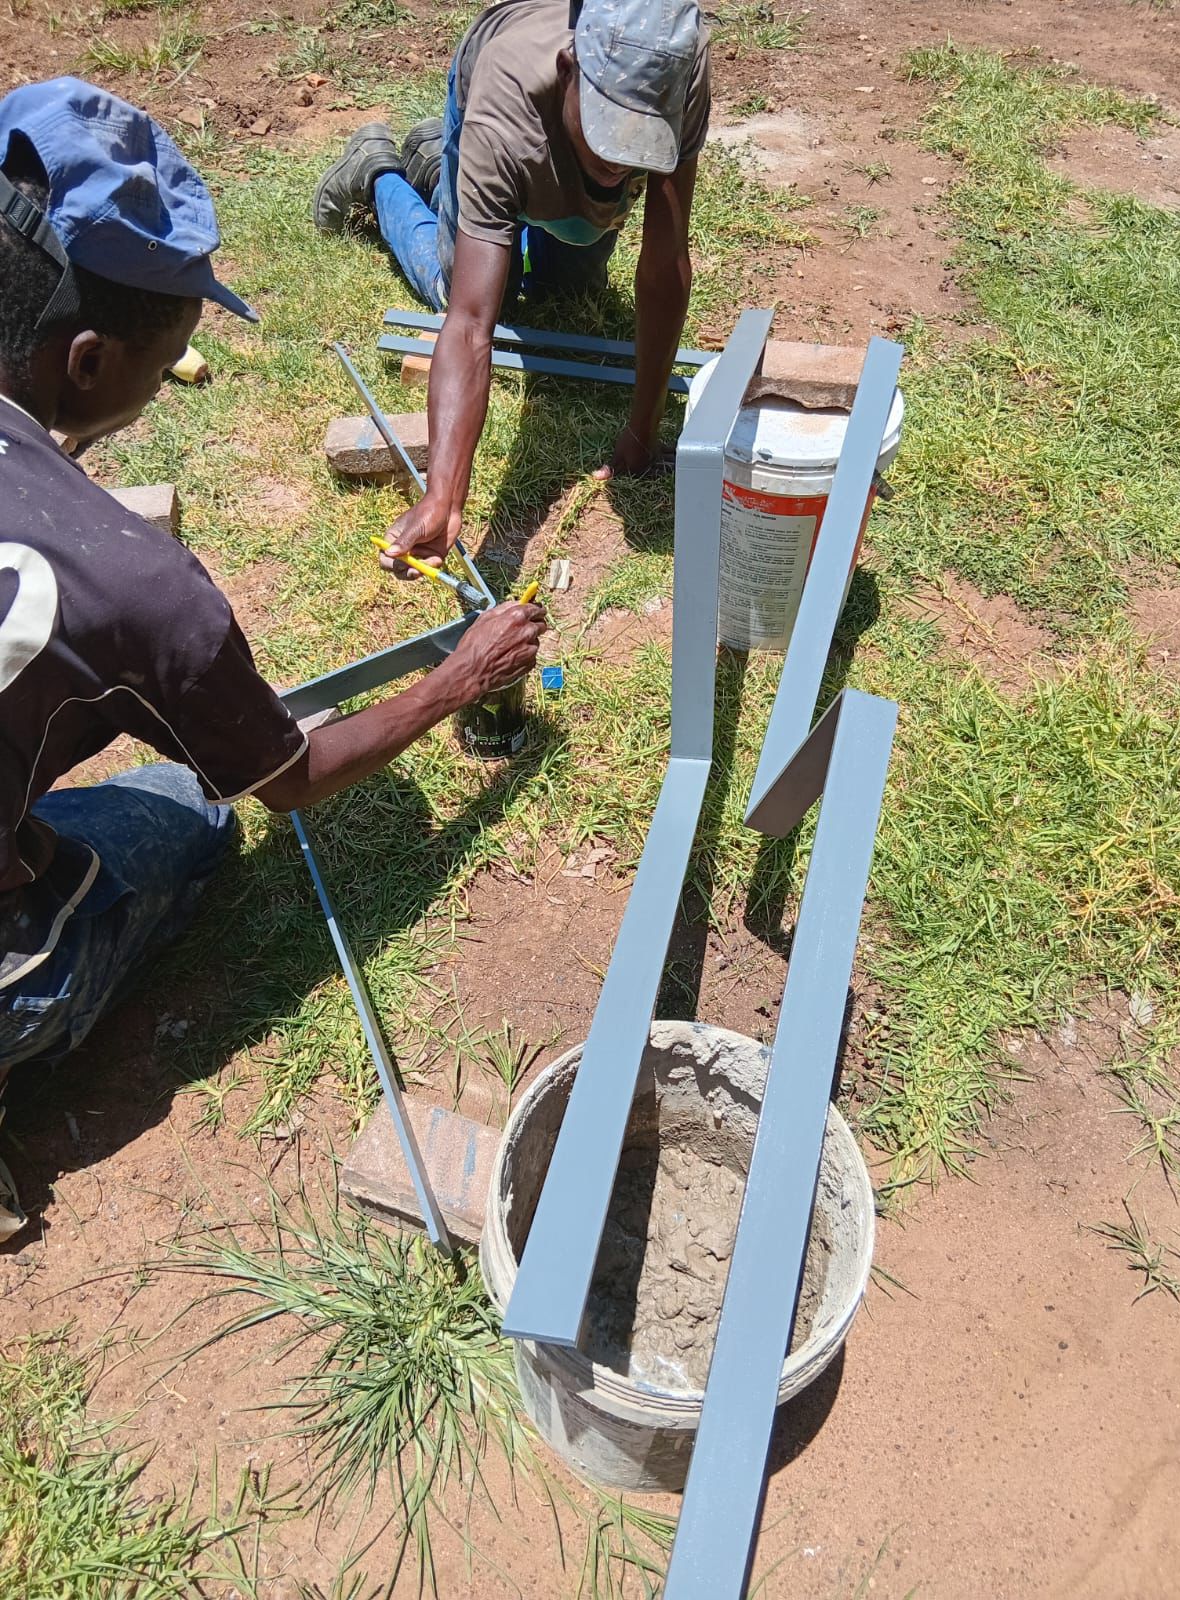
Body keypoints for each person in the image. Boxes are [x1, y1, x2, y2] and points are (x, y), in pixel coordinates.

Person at [0, 77, 545, 1234]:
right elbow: (285, 776)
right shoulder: (134, 587)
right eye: (174, 349)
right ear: (89, 363)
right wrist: (457, 680)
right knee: (194, 821)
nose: (173, 375)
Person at [312, 0, 710, 574]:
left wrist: (641, 432)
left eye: (639, 141)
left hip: (533, 141)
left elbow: (664, 260)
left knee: (564, 286)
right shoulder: (506, 114)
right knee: (468, 286)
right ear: (570, 70)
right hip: (497, 104)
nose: (619, 160)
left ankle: (441, 162)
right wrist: (444, 494)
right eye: (608, 130)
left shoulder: (680, 63)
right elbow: (471, 324)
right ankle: (380, 173)